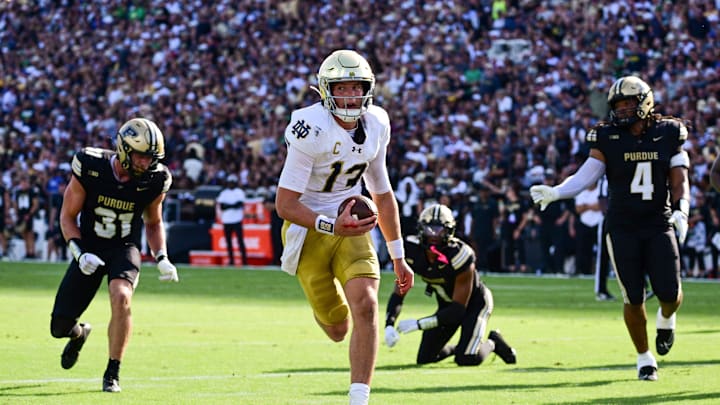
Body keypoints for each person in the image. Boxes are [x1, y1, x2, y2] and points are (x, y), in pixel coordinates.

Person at [275, 49, 414, 405]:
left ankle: (359, 399)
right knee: (338, 329)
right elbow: (285, 205)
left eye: (357, 87)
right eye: (343, 88)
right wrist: (330, 225)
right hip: (308, 229)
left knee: (366, 305)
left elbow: (382, 195)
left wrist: (398, 256)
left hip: (351, 217)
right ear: (326, 91)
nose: (351, 96)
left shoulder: (377, 124)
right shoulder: (311, 127)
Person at [530, 76, 689, 381]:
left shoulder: (669, 132)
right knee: (633, 297)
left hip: (659, 221)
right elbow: (586, 175)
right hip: (622, 226)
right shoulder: (606, 136)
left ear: (645, 102)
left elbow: (679, 179)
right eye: (619, 104)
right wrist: (558, 191)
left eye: (629, 102)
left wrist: (682, 212)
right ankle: (644, 359)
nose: (624, 109)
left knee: (670, 294)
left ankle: (666, 319)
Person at [49, 117, 179, 393]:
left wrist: (162, 257)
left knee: (122, 297)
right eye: (142, 156)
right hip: (90, 247)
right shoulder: (90, 165)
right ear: (124, 149)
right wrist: (79, 252)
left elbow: (153, 222)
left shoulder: (157, 178)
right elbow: (67, 216)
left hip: (124, 247)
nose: (147, 163)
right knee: (59, 327)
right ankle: (80, 333)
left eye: (151, 157)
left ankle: (112, 372)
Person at [383, 204, 517, 366]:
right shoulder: (410, 250)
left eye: (440, 230)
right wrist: (389, 324)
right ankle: (461, 348)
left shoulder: (459, 255)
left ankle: (493, 342)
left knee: (467, 358)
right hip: (447, 306)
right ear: (420, 229)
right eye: (429, 229)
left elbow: (458, 310)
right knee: (425, 358)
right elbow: (399, 291)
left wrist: (420, 324)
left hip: (474, 305)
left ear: (450, 231)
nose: (434, 235)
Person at [215, 174, 248, 266]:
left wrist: (228, 205)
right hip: (227, 220)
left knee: (240, 241)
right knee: (228, 241)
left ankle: (244, 260)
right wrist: (232, 205)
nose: (231, 184)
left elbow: (240, 204)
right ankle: (231, 260)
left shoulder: (239, 192)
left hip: (237, 219)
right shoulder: (224, 193)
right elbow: (222, 206)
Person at [594, 175, 616, 301]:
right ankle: (601, 289)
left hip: (625, 218)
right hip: (609, 219)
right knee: (603, 255)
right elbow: (602, 199)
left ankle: (642, 287)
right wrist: (609, 215)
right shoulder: (606, 178)